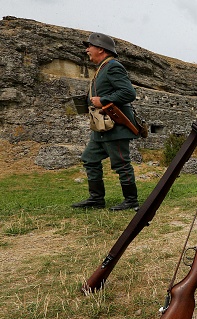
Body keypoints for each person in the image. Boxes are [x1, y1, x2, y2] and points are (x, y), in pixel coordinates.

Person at [71, 32, 140, 211]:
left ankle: (131, 200)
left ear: (101, 49)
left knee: (121, 163)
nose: (87, 50)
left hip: (115, 126)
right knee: (89, 158)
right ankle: (96, 199)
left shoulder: (112, 67)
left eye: (90, 46)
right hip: (102, 128)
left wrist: (102, 100)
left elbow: (128, 93)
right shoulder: (101, 68)